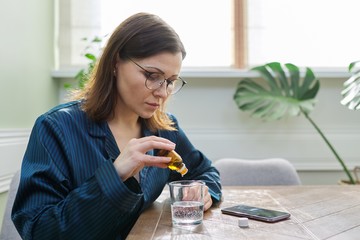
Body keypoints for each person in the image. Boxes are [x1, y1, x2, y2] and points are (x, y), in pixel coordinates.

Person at [11, 12, 222, 240]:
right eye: (152, 75)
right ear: (115, 63)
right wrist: (115, 175)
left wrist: (203, 193)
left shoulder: (163, 128)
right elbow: (38, 231)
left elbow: (205, 172)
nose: (162, 92)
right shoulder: (56, 128)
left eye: (170, 81)